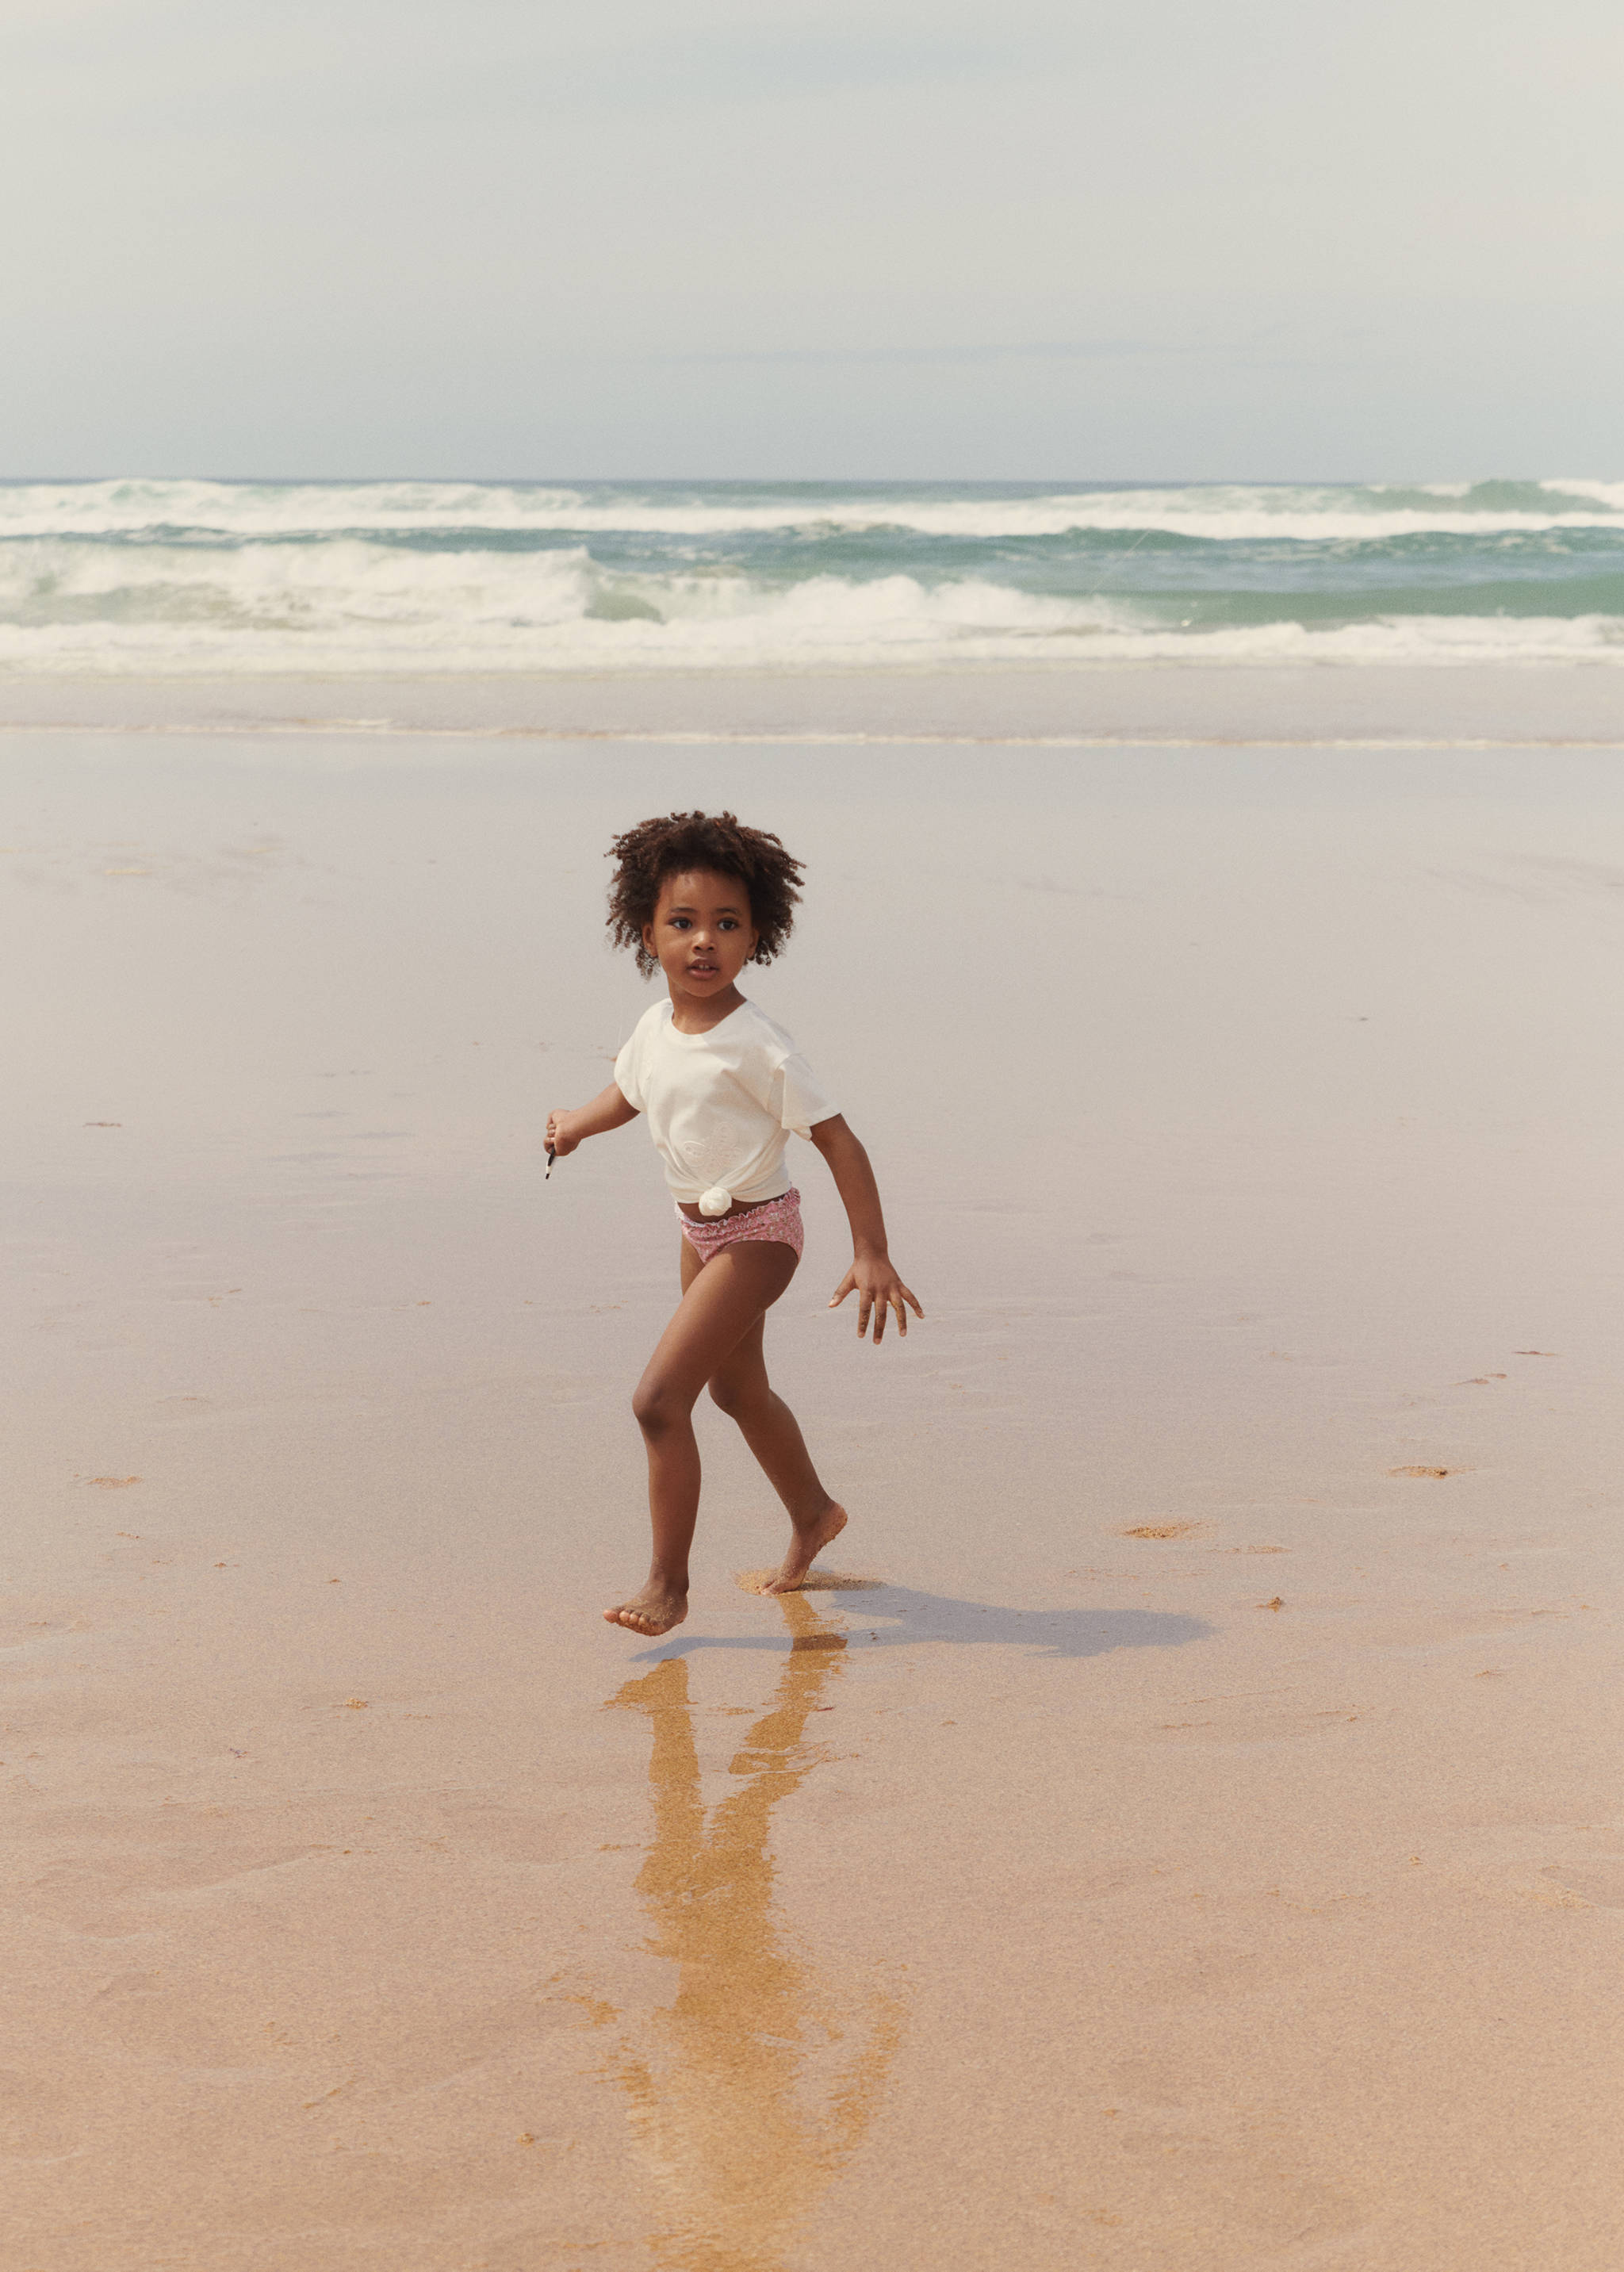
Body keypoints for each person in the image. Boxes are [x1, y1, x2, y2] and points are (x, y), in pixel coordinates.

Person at [546, 810, 922, 1637]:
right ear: (645, 931)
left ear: (757, 936)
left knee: (657, 1401)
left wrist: (870, 1251)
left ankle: (667, 1586)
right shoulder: (653, 1027)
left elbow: (836, 1138)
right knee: (736, 1389)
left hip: (760, 1235)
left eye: (726, 924)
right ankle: (814, 1511)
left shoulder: (760, 1045)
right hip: (700, 1232)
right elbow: (633, 1090)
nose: (703, 942)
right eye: (682, 924)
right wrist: (575, 1123)